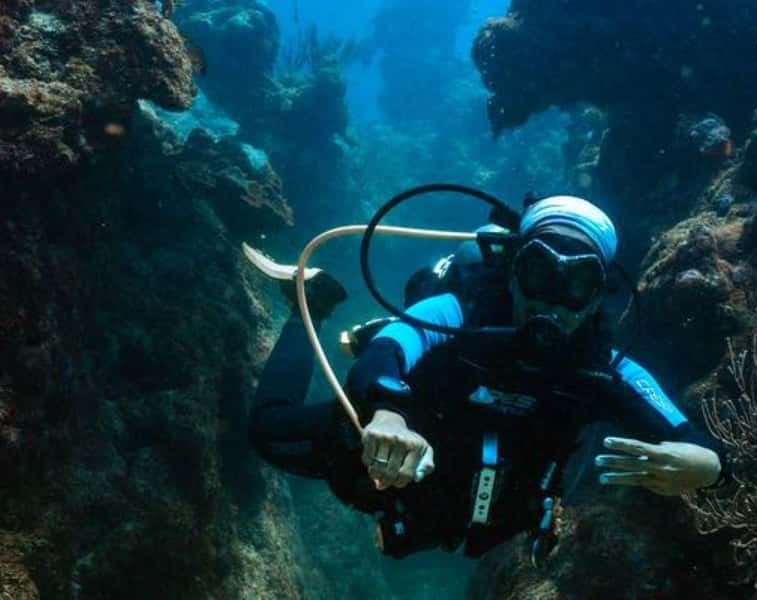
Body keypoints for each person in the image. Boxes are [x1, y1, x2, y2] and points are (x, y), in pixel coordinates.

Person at [247, 196, 726, 561]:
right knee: (269, 431)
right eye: (540, 272)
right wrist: (387, 411)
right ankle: (307, 307)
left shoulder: (607, 367)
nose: (552, 302)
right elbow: (388, 348)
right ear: (515, 269)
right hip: (386, 453)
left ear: (599, 294)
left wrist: (709, 465)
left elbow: (692, 438)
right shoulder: (457, 312)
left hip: (463, 507)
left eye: (577, 283)